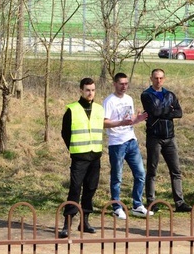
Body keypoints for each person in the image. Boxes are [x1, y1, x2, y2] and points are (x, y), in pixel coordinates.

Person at [140, 69, 192, 213]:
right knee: (152, 170)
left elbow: (179, 112)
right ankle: (151, 201)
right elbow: (153, 112)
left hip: (170, 137)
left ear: (164, 79)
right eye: (156, 78)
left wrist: (164, 112)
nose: (158, 81)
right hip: (154, 137)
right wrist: (169, 112)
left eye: (161, 78)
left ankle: (180, 202)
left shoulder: (170, 95)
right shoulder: (146, 95)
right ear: (151, 78)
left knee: (176, 171)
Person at [58, 77, 104, 239]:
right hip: (79, 156)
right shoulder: (72, 109)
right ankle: (67, 223)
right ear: (81, 91)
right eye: (87, 90)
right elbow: (65, 133)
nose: (90, 93)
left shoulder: (99, 109)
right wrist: (73, 148)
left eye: (92, 90)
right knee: (75, 189)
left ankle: (84, 221)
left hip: (95, 155)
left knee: (91, 188)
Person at [103, 72, 152, 219]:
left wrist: (138, 119)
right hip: (117, 143)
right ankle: (116, 207)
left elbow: (129, 119)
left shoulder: (129, 99)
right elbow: (104, 122)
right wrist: (120, 123)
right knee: (117, 176)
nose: (124, 86)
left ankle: (137, 205)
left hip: (131, 140)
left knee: (141, 174)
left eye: (126, 83)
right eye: (121, 84)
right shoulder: (109, 101)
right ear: (115, 84)